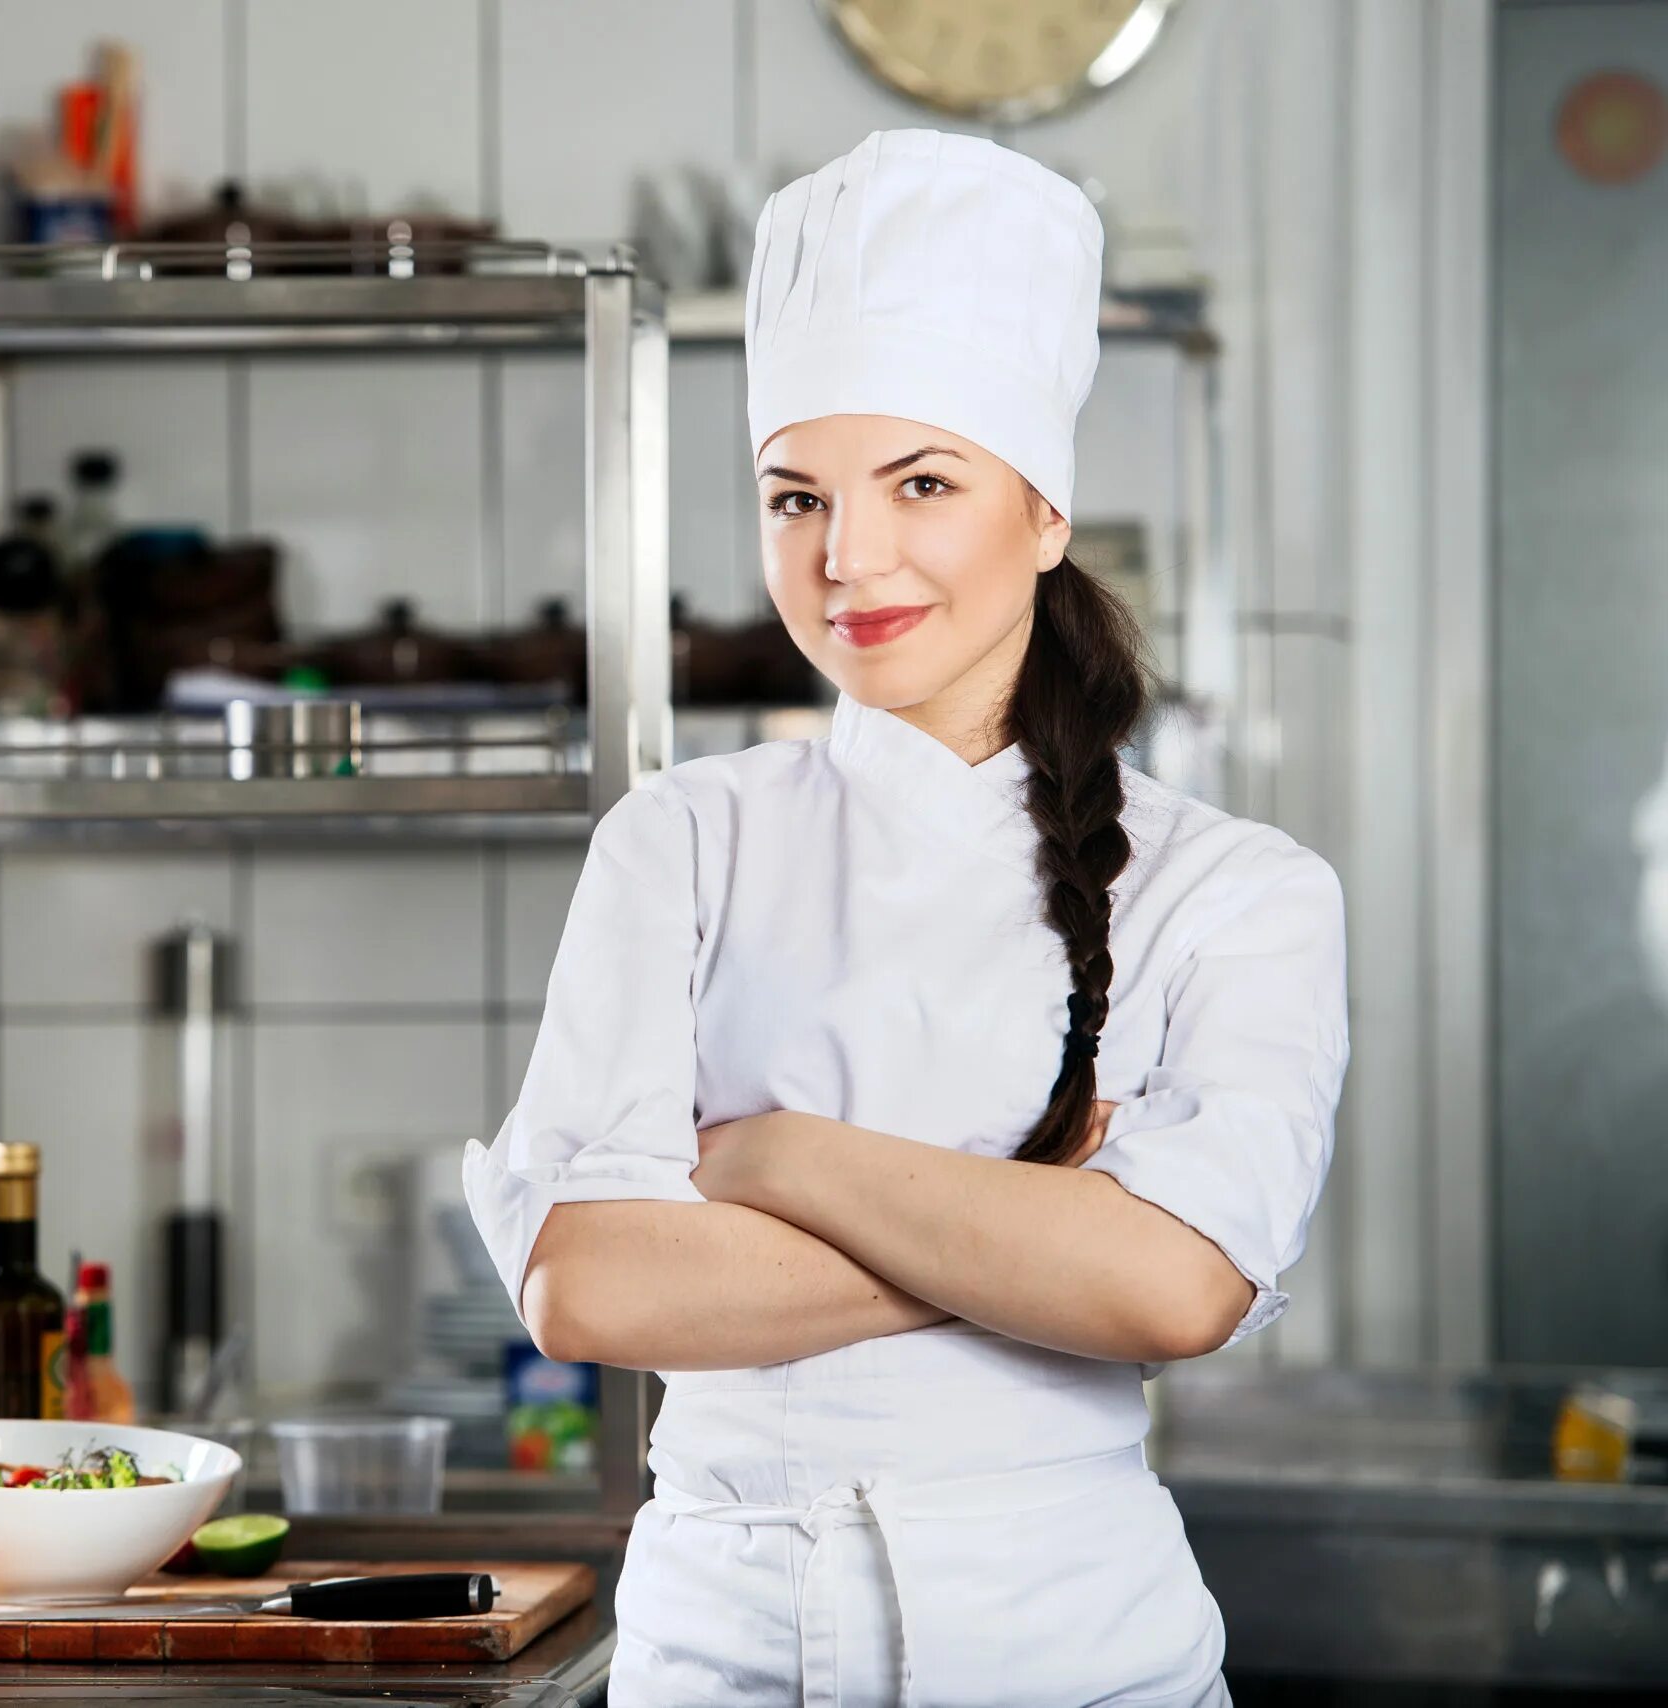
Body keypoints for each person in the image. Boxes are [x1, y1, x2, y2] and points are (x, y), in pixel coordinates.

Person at [462, 130, 1349, 1707]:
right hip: (714, 1651)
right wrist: (1033, 1215)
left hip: (1076, 1651)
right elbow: (590, 1287)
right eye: (795, 495)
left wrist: (779, 1164)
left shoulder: (1242, 888)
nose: (845, 557)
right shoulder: (681, 839)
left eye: (920, 484)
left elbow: (1174, 1290)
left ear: (1045, 513)